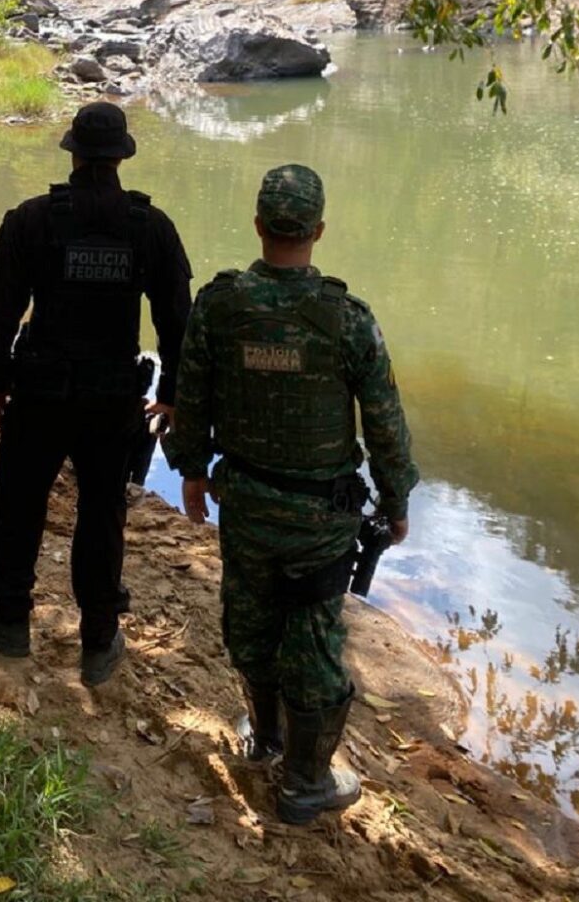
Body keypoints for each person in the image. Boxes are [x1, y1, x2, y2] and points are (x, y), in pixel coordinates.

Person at [165, 164, 418, 824]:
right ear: (319, 230)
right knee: (311, 639)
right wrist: (396, 503)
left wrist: (190, 469)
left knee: (250, 619)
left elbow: (188, 398)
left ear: (258, 226)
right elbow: (386, 422)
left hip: (245, 501)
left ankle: (265, 737)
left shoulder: (220, 305)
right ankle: (305, 782)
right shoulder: (347, 320)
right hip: (319, 518)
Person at [0, 101, 192, 684]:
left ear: (72, 152)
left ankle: (10, 622)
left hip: (40, 394)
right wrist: (170, 394)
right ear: (122, 156)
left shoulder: (32, 219)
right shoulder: (150, 228)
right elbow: (178, 324)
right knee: (102, 512)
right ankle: (98, 639)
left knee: (20, 502)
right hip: (112, 401)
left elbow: (0, 316)